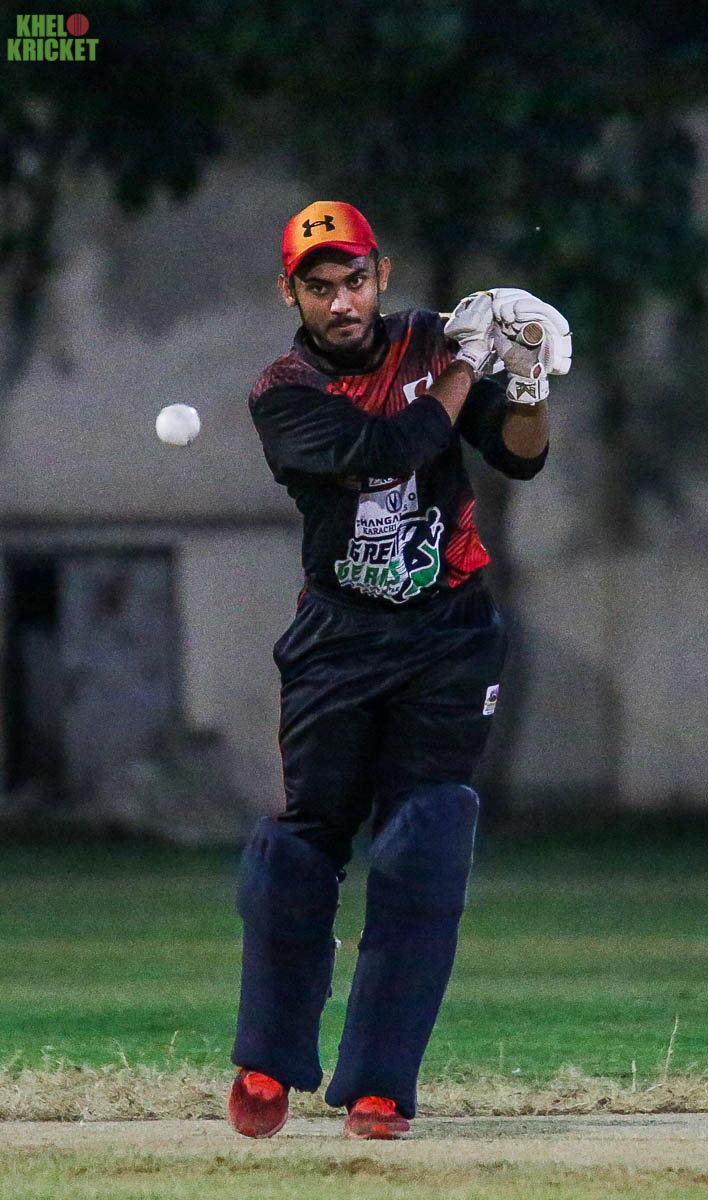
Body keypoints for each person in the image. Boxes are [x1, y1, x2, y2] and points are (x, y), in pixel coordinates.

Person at [228, 200, 571, 1140]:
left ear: (380, 274)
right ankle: (269, 1060)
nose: (341, 302)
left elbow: (519, 458)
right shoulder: (283, 393)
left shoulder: (431, 340)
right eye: (319, 287)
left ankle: (379, 1085)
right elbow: (390, 451)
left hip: (449, 632)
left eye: (354, 281)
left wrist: (527, 383)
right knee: (301, 847)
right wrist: (468, 364)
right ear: (291, 294)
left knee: (427, 838)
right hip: (339, 639)